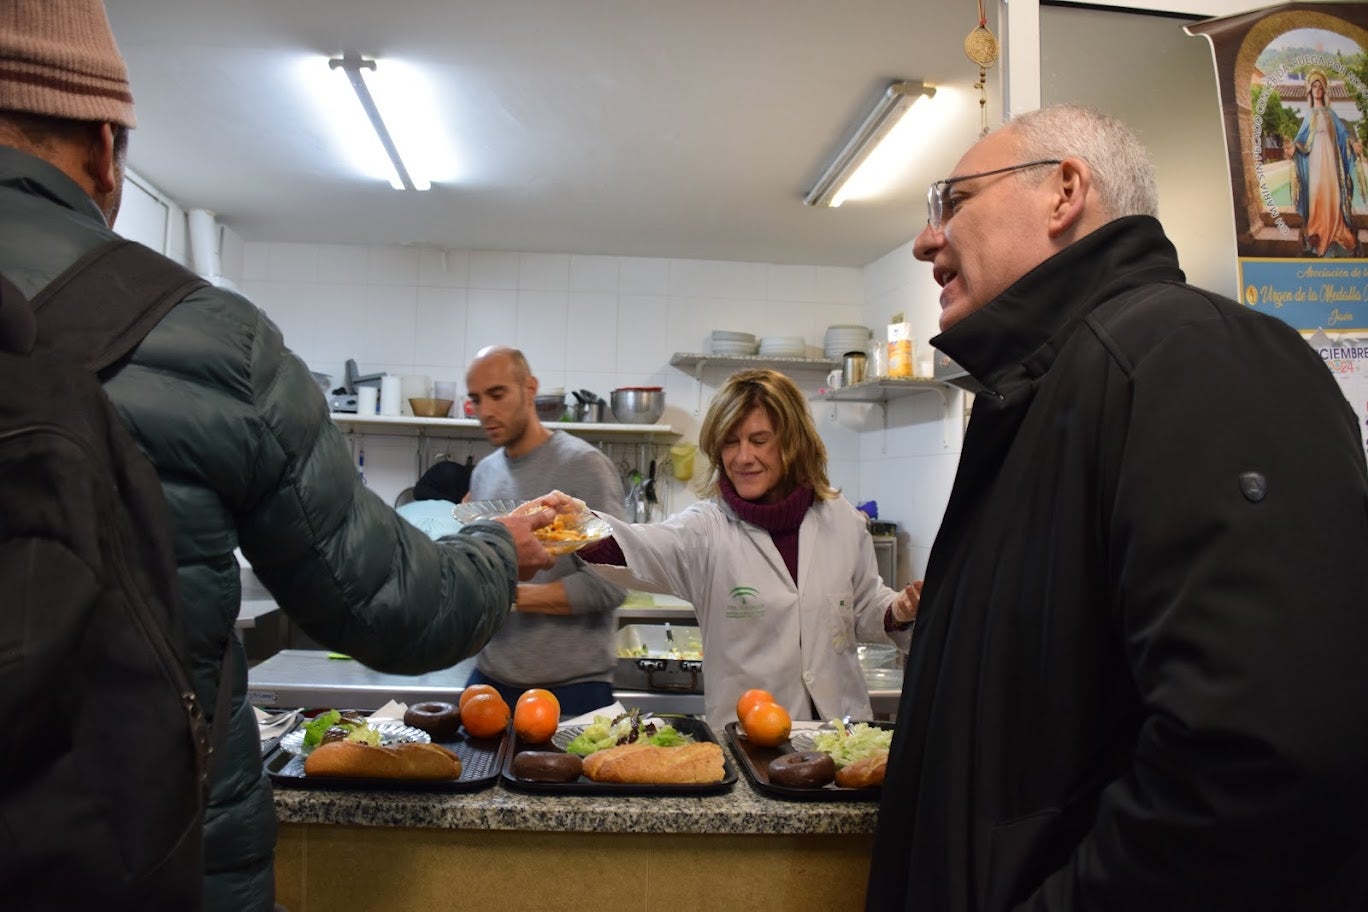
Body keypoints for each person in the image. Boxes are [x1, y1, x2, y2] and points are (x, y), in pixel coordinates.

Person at [0, 4, 557, 911]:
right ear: (107, 150)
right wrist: (500, 550)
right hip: (154, 863)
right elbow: (392, 607)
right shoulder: (209, 340)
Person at [866, 104, 1368, 910]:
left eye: (950, 202)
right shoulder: (1044, 398)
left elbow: (1267, 763)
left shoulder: (1195, 358)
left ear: (1064, 192)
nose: (928, 239)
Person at [566, 368, 918, 726]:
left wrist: (898, 610)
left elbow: (863, 606)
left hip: (842, 733)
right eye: (730, 442)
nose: (742, 457)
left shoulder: (840, 518)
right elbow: (637, 548)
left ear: (793, 442)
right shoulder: (706, 528)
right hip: (752, 741)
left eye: (759, 440)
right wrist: (574, 522)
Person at [462, 345, 629, 715]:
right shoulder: (484, 473)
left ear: (530, 389)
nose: (485, 411)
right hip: (489, 680)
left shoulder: (583, 466)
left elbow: (613, 582)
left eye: (497, 394)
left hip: (572, 691)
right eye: (475, 399)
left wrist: (503, 593)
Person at [1292, 68, 1361, 257]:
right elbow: (1300, 137)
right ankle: (1317, 228)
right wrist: (1293, 147)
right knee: (1316, 191)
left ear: (1323, 90)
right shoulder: (1309, 115)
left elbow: (1343, 133)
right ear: (1310, 91)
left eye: (1319, 86)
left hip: (1330, 158)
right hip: (1315, 159)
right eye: (1313, 86)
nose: (1317, 90)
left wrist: (1353, 143)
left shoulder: (1331, 114)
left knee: (1333, 190)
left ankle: (1336, 226)